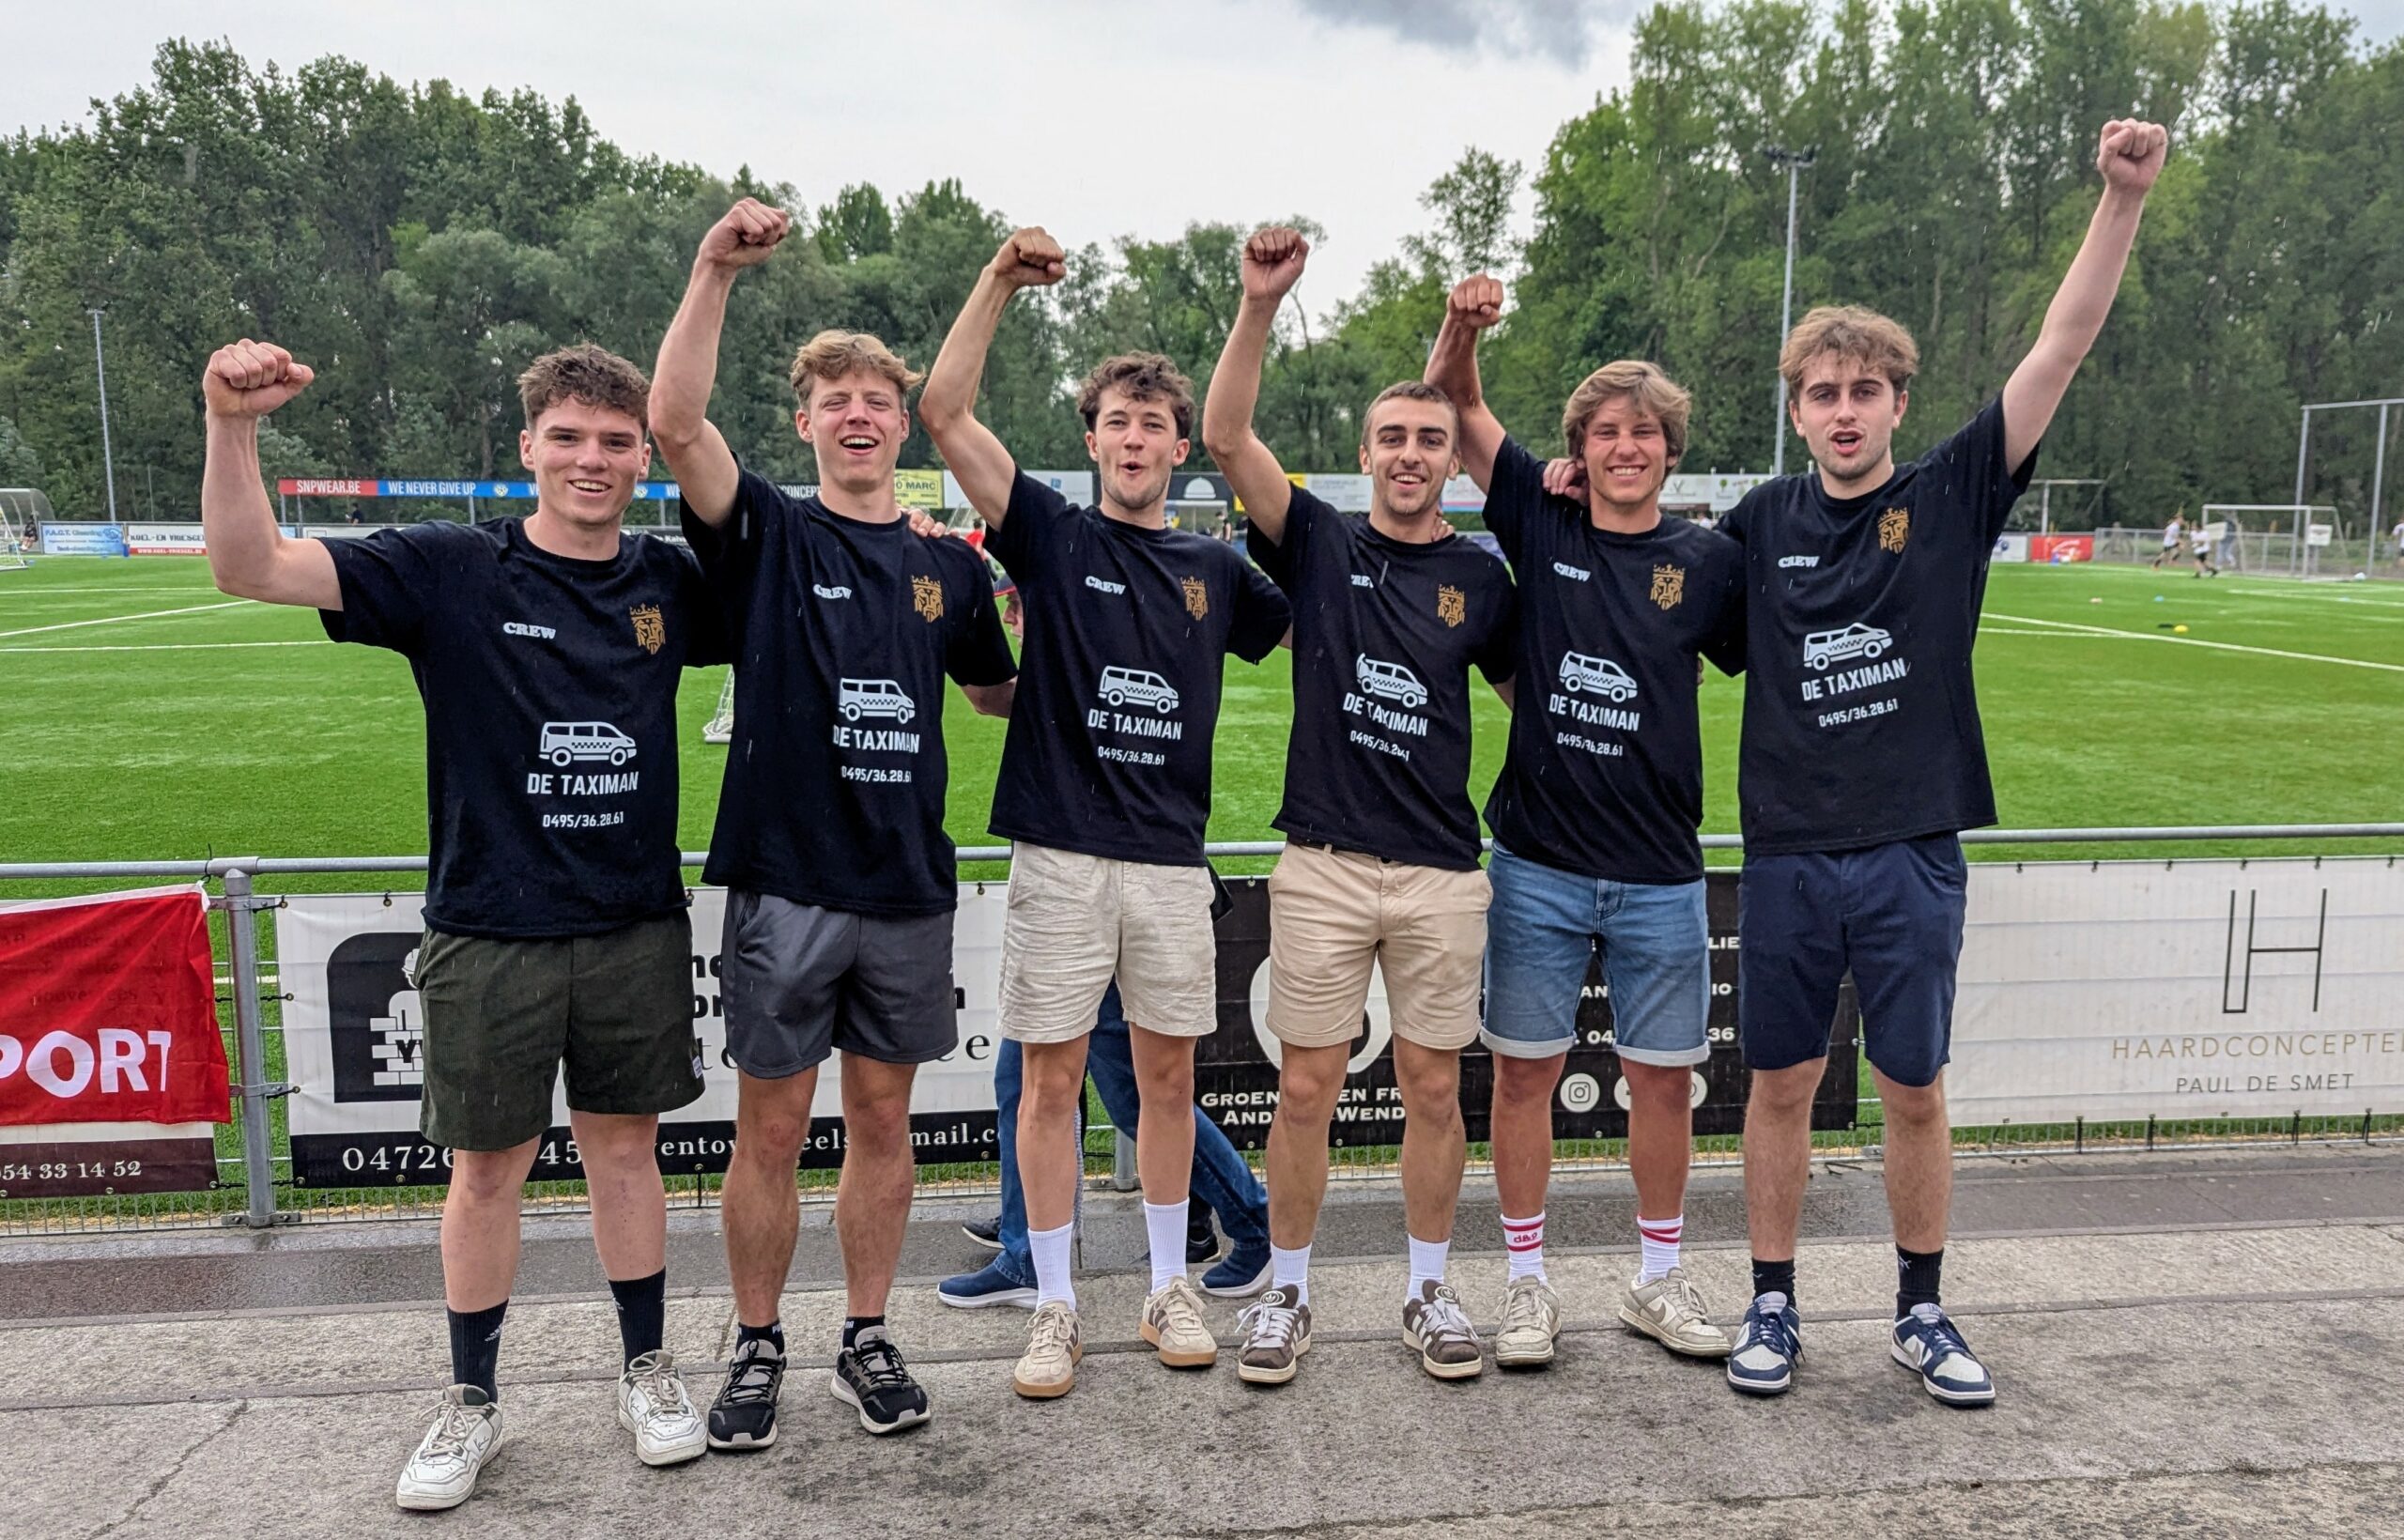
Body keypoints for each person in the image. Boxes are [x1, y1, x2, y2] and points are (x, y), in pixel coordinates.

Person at [200, 337, 726, 1507]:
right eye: (570, 437)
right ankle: (472, 1398)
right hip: (489, 924)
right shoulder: (449, 566)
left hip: (633, 917)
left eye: (614, 440)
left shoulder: (670, 581)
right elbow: (248, 565)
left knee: (625, 1152)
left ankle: (645, 1367)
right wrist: (230, 424)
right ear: (527, 445)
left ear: (643, 455)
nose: (592, 459)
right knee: (487, 1169)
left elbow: (794, 598)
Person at [1713, 118, 2170, 1408]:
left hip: (1914, 848)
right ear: (1797, 409)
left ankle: (1920, 1310)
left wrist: (2121, 202)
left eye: (1865, 392)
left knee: (1914, 1087)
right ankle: (1772, 1304)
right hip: (1794, 853)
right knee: (1783, 1088)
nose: (1845, 411)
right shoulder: (1759, 524)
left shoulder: (1956, 492)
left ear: (1897, 406)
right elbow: (1645, 597)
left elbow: (2060, 345)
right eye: (1823, 392)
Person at [649, 199, 1018, 1444]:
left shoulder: (951, 566)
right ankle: (757, 1344)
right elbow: (671, 423)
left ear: (903, 425)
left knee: (881, 1121)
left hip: (908, 887)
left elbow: (998, 689)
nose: (859, 414)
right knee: (769, 1124)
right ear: (805, 422)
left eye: (878, 400)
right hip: (787, 883)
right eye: (835, 399)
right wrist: (713, 270)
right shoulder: (764, 531)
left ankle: (867, 1334)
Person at [920, 225, 1292, 1398]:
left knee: (1173, 1083)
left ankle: (1172, 1286)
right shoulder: (1047, 531)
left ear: (1182, 446)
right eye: (1115, 423)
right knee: (1047, 1081)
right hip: (1061, 857)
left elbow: (1328, 607)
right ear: (1091, 439)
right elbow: (941, 409)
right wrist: (995, 281)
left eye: (1155, 425)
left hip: (1171, 865)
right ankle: (1057, 1303)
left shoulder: (1217, 569)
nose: (1135, 441)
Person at [1202, 227, 1516, 1386]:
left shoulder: (1482, 578)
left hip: (1438, 867)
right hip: (1324, 862)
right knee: (1305, 1084)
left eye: (1430, 438)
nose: (1409, 453)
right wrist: (1257, 305)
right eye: (1392, 436)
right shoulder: (1320, 543)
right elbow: (1226, 435)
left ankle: (1427, 1287)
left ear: (1452, 457)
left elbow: (1538, 701)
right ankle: (1285, 1294)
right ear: (1364, 449)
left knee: (1434, 1088)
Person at [1427, 278, 1745, 1373]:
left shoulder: (1708, 564)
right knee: (1522, 1074)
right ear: (1578, 447)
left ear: (1669, 449)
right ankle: (1526, 1281)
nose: (1624, 446)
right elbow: (1457, 407)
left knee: (1662, 1080)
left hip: (1661, 867)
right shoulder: (1538, 513)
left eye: (1643, 432)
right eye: (1605, 431)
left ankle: (1657, 1276)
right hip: (1537, 862)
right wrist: (1464, 327)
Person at [940, 979, 1273, 1307]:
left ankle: (1254, 1222)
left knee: (1135, 1096)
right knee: (1023, 1085)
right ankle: (1026, 1253)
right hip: (1057, 935)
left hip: (1092, 937)